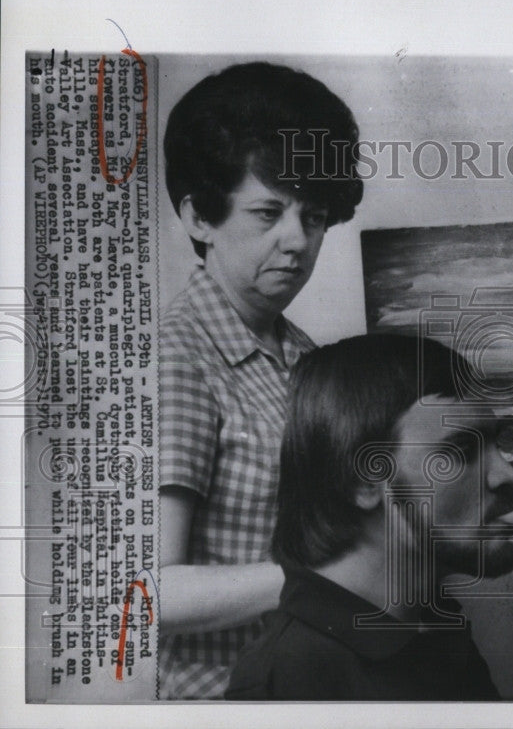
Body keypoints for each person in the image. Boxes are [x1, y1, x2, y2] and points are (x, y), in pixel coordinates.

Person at [157, 61, 364, 699]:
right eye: (268, 212)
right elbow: (145, 593)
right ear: (199, 218)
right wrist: (330, 575)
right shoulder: (176, 356)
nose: (296, 241)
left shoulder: (302, 355)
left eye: (314, 216)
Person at [225, 334, 513, 700]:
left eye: (497, 445)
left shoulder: (433, 628)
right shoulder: (291, 679)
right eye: (461, 451)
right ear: (361, 481)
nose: (506, 473)